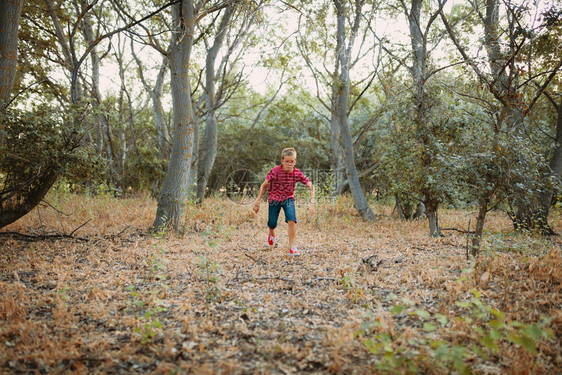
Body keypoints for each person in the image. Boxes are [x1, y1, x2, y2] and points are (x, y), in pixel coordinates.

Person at [253, 147, 314, 256]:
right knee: (272, 223)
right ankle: (272, 234)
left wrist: (311, 203)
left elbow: (310, 186)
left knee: (292, 219)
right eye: (287, 161)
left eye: (292, 161)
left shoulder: (297, 173)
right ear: (282, 161)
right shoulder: (275, 171)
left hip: (288, 198)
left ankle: (292, 247)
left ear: (295, 162)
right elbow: (264, 185)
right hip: (274, 199)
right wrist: (257, 202)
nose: (289, 164)